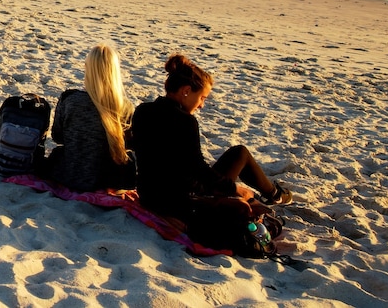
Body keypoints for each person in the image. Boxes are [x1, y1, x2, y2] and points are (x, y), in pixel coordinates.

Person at [130, 54, 292, 241]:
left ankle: (273, 194)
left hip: (149, 194)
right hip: (181, 199)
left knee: (238, 153)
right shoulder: (185, 122)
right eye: (202, 98)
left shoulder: (142, 110)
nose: (201, 105)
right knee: (241, 158)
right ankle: (274, 194)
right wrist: (235, 190)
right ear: (186, 91)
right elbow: (198, 170)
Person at [39, 43, 136, 192]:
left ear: (88, 69)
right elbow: (127, 145)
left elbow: (57, 136)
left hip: (68, 174)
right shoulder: (125, 107)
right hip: (103, 181)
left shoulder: (69, 99)